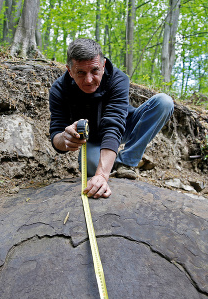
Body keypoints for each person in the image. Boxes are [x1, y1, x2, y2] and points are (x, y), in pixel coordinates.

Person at [49, 38, 174, 199]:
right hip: (92, 139)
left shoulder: (118, 79)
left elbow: (114, 126)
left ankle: (126, 161)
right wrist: (64, 139)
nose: (89, 80)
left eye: (95, 71)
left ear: (103, 65)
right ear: (69, 70)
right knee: (92, 170)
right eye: (81, 72)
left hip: (126, 127)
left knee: (164, 102)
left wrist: (103, 175)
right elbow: (56, 135)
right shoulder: (59, 89)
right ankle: (110, 162)